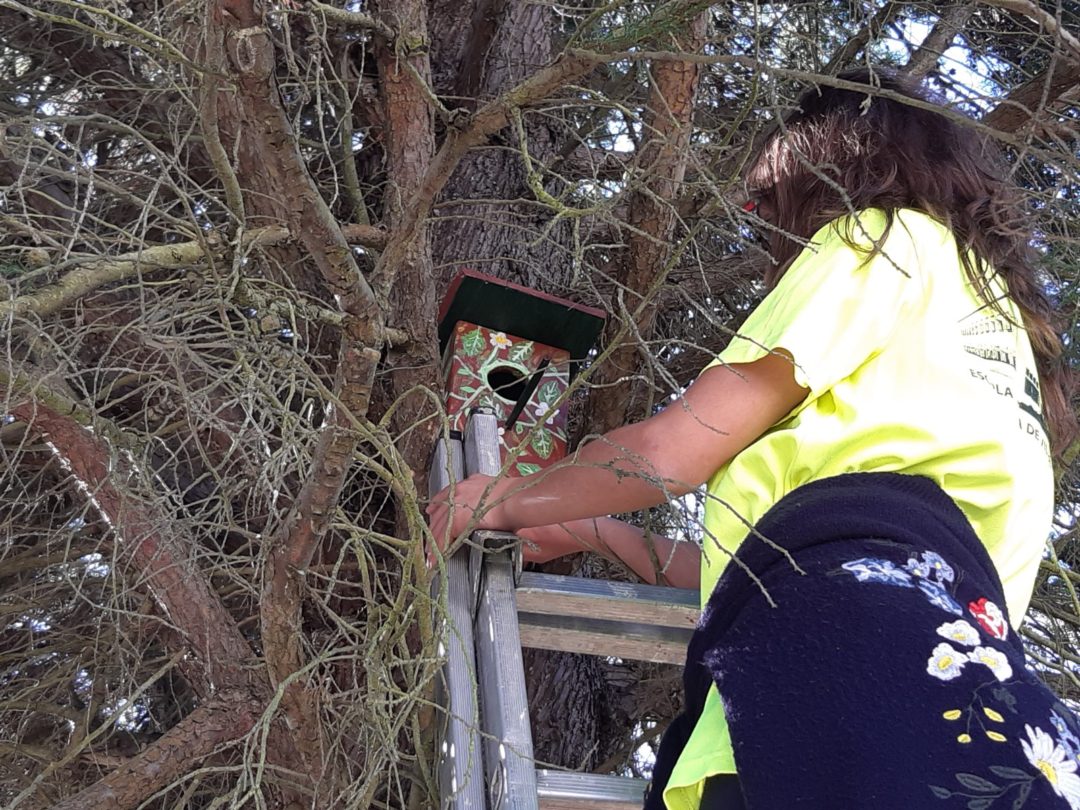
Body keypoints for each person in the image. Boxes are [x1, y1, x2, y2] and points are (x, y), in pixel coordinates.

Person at [427, 68, 1080, 809]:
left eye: (765, 192)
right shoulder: (1001, 331)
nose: (753, 211)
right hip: (940, 701)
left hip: (819, 684)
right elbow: (780, 574)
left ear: (831, 150)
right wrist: (599, 532)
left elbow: (682, 444)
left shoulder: (879, 240)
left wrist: (505, 501)